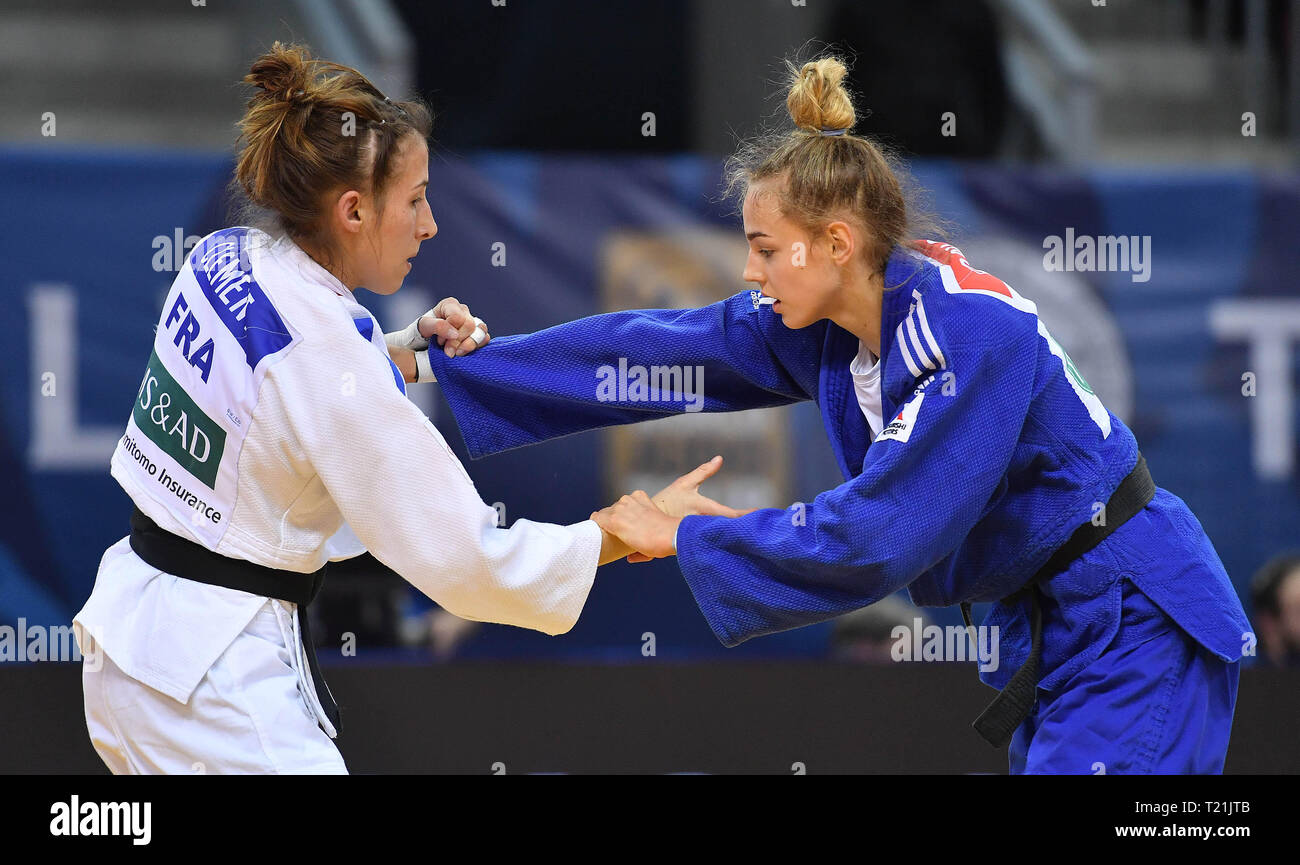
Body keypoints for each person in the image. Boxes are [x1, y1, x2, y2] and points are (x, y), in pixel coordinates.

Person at [421, 56, 1253, 774]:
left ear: (839, 243)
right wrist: (481, 357)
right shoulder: (820, 325)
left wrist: (690, 535)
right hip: (1060, 622)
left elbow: (879, 534)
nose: (749, 271)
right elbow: (657, 352)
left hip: (1137, 621)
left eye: (765, 247)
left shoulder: (968, 335)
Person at [72, 42, 738, 775]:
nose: (430, 225)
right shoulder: (328, 361)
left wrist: (401, 350)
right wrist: (611, 533)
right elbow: (467, 560)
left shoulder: (221, 258)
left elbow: (277, 396)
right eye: (416, 200)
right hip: (214, 693)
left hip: (127, 642)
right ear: (353, 210)